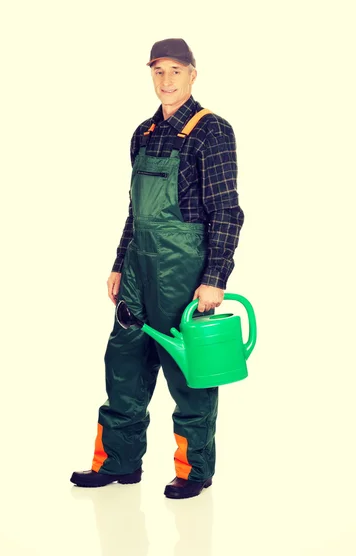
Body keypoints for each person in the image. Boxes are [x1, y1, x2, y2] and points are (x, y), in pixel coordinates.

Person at [71, 38, 245, 499]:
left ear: (192, 74)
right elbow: (135, 209)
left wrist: (214, 279)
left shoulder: (212, 131)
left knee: (189, 373)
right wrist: (118, 262)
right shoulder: (142, 134)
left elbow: (227, 210)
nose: (165, 80)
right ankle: (116, 463)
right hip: (137, 268)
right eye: (157, 70)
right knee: (124, 364)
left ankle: (193, 471)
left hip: (184, 272)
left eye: (175, 70)